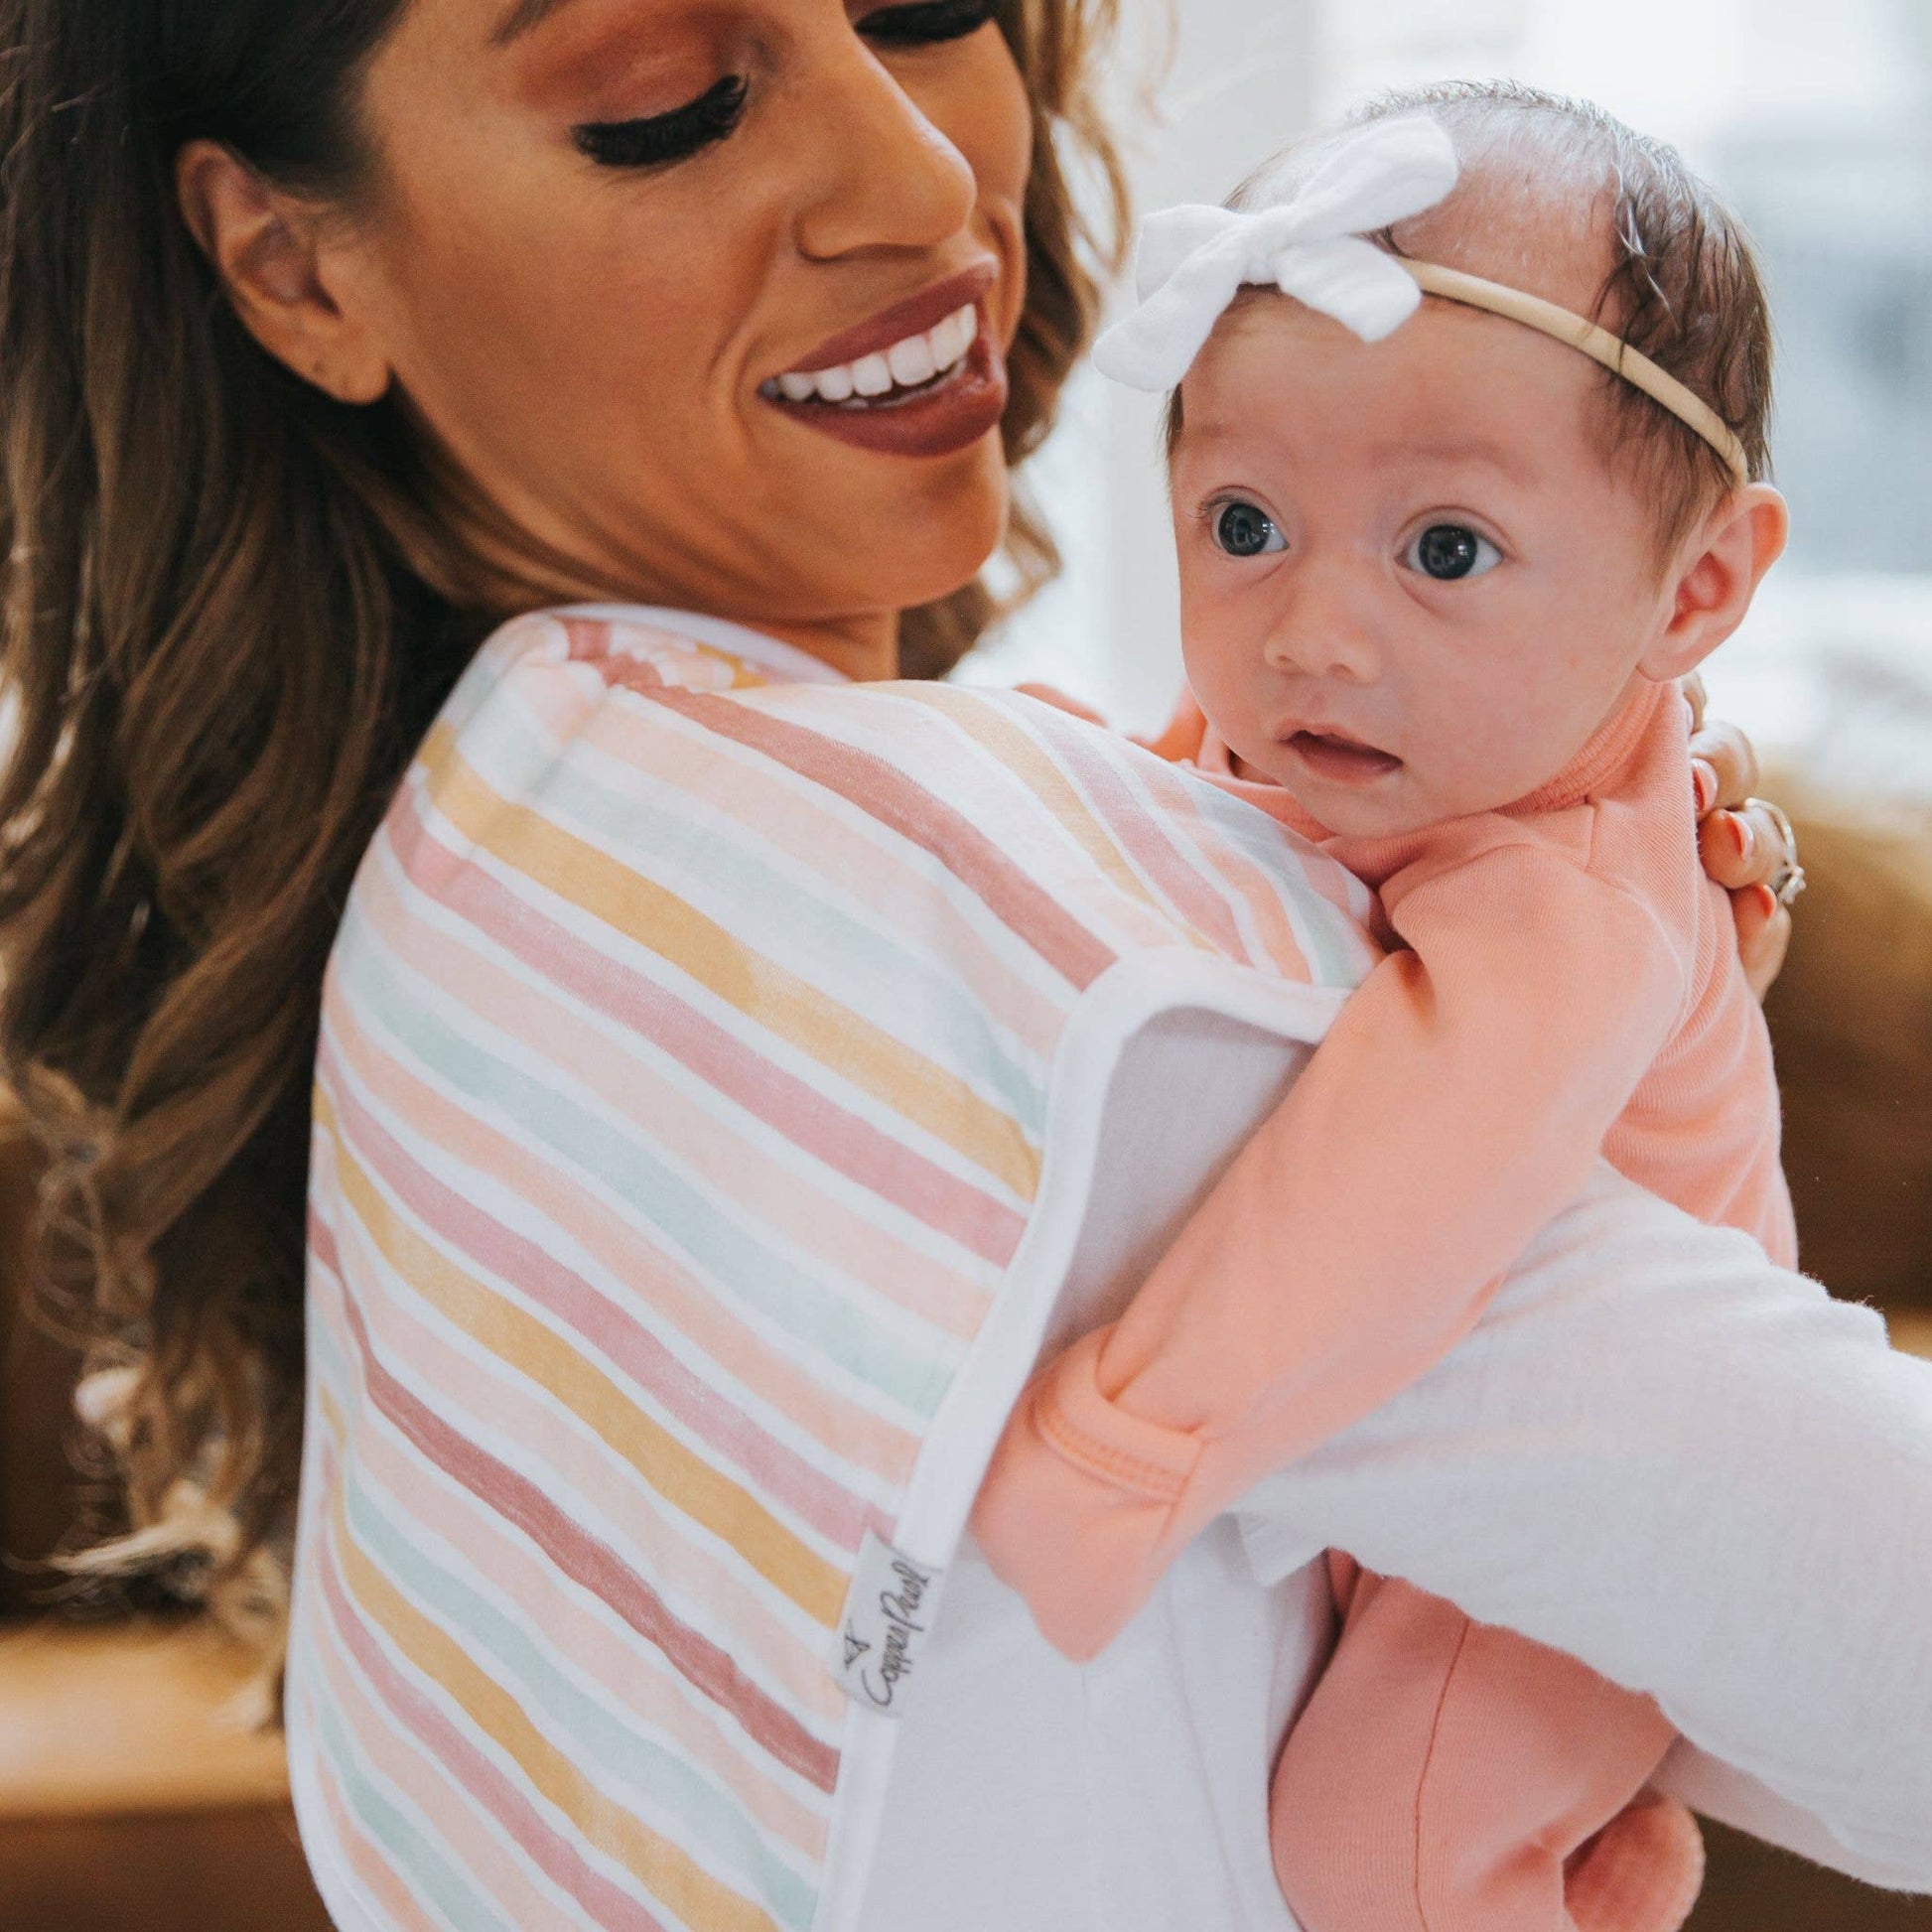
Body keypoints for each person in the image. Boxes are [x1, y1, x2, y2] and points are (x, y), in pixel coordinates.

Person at [0, 7, 1915, 1932]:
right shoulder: (1083, 982)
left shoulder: (481, 820)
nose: (921, 179)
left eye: (923, 6)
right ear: (290, 262)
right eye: (666, 105)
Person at [969, 88, 1803, 1932]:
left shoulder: (1571, 900)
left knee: (1384, 1849)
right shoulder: (1352, 736)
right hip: (1413, 1428)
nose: (1312, 635)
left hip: (1592, 1490)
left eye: (1443, 551)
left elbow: (1383, 1188)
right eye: (1243, 523)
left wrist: (1121, 1439)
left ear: (1694, 587)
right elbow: (1173, 840)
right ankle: (1593, 1855)